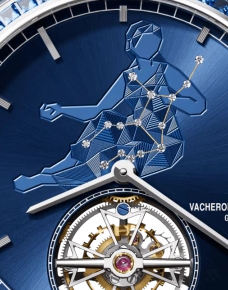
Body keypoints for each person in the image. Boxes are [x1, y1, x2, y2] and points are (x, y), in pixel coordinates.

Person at [14, 20, 206, 192]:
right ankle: (53, 169)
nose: (150, 46)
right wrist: (62, 110)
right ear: (131, 44)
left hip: (162, 141)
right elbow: (97, 110)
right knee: (104, 121)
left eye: (153, 42)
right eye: (144, 41)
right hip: (136, 129)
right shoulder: (128, 77)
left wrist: (170, 100)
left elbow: (199, 104)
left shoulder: (165, 71)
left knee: (109, 158)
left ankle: (45, 180)